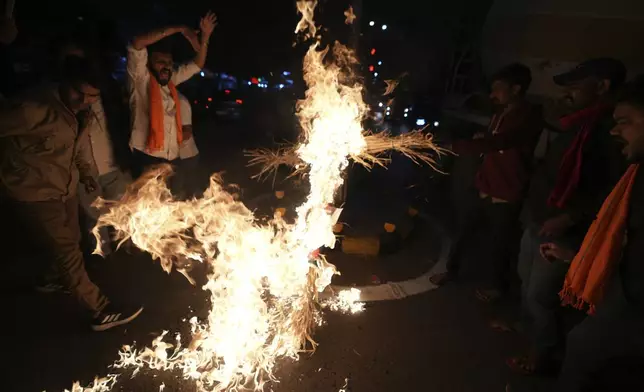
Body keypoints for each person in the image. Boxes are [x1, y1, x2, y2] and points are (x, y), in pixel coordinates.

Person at [0, 57, 142, 331]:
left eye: (91, 96)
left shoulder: (82, 113)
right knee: (68, 251)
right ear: (65, 83)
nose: (84, 100)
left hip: (65, 190)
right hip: (35, 193)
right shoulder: (33, 109)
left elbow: (79, 151)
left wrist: (88, 176)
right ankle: (99, 310)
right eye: (79, 92)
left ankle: (53, 278)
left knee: (73, 240)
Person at [508, 58, 628, 375]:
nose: (567, 94)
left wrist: (571, 217)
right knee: (525, 281)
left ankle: (542, 354)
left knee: (541, 296)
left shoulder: (612, 134)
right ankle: (529, 333)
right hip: (539, 218)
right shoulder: (578, 123)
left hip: (563, 230)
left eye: (575, 87)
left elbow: (613, 192)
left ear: (601, 87)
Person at [540, 79, 644, 391]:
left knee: (586, 352)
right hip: (621, 294)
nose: (615, 131)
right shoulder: (635, 174)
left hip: (631, 305)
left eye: (624, 122)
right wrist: (581, 258)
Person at [430, 63, 543, 302]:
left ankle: (497, 286)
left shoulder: (528, 116)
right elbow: (493, 140)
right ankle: (452, 270)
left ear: (516, 89)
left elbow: (501, 142)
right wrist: (483, 139)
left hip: (507, 190)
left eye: (498, 89)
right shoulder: (501, 112)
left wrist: (456, 146)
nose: (493, 94)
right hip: (485, 185)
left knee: (499, 241)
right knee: (463, 230)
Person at [127, 11, 216, 179]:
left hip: (172, 159)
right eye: (160, 62)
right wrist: (180, 28)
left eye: (169, 63)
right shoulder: (140, 80)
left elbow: (197, 64)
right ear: (148, 63)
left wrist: (205, 38)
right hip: (146, 158)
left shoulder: (171, 81)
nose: (166, 67)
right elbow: (137, 43)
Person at [176, 92, 202, 199]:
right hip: (177, 156)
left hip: (186, 156)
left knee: (185, 192)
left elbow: (187, 132)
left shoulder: (181, 101)